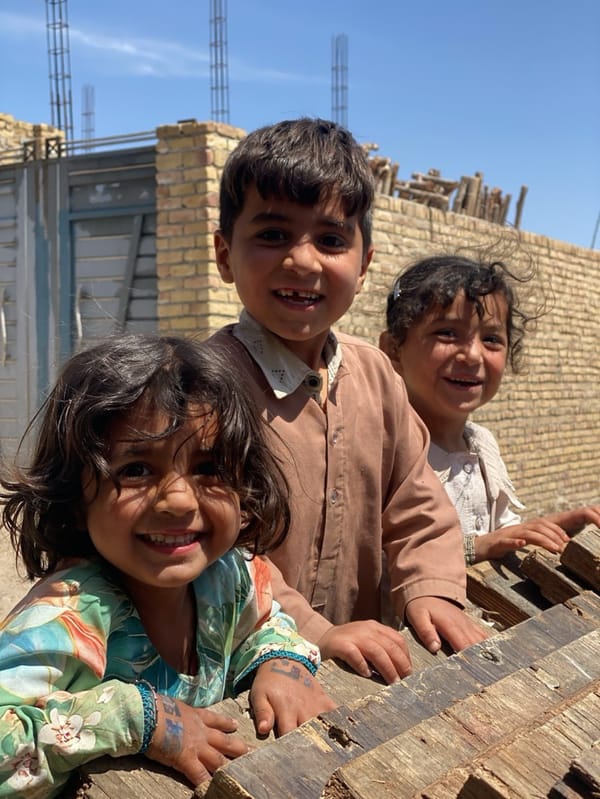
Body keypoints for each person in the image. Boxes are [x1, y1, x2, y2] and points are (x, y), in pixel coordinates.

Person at [208, 117, 488, 687]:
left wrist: (429, 588)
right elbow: (218, 550)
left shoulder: (375, 376)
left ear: (363, 267)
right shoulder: (206, 390)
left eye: (331, 240)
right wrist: (315, 631)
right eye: (272, 234)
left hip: (362, 670)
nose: (304, 261)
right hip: (243, 672)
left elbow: (416, 501)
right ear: (224, 255)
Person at [0, 334, 336, 798]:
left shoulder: (228, 577)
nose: (178, 500)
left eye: (209, 467)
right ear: (76, 499)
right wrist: (134, 717)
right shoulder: (65, 619)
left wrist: (282, 661)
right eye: (136, 469)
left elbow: (262, 627)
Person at [379, 254, 600, 565]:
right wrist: (475, 548)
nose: (472, 355)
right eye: (447, 333)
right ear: (393, 350)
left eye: (492, 339)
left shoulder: (482, 444)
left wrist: (554, 527)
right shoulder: (386, 452)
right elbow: (377, 556)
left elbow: (500, 533)